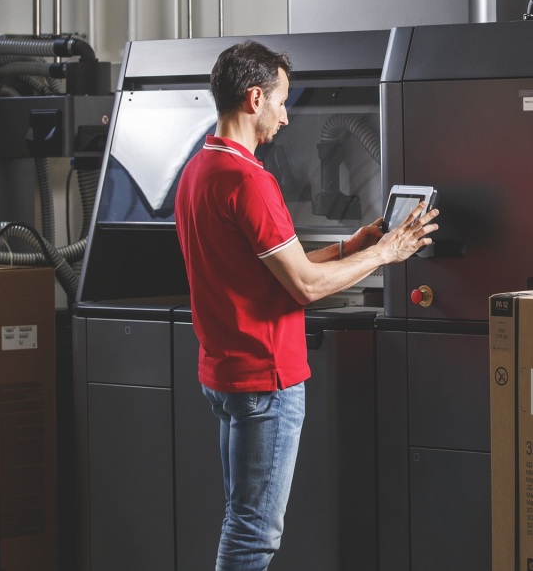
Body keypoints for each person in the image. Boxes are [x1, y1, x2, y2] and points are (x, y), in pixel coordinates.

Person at [174, 39, 438, 570]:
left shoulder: (199, 171)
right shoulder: (250, 181)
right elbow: (306, 287)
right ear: (255, 98)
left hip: (227, 375)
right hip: (265, 379)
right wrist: (387, 253)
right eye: (281, 102)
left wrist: (351, 246)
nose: (286, 117)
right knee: (254, 534)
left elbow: (272, 267)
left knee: (240, 519)